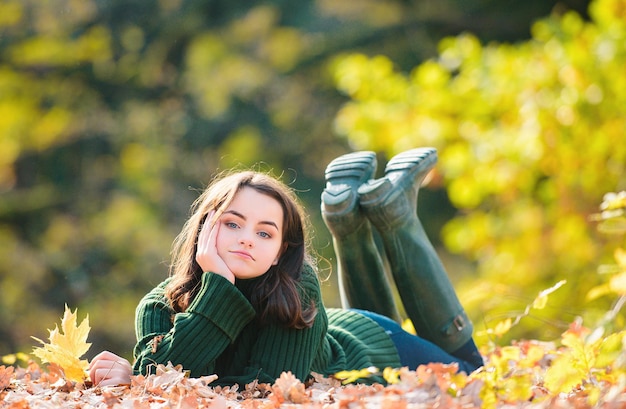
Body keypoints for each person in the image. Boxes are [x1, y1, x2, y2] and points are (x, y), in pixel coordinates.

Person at [88, 148, 483, 387]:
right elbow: (163, 385)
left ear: (280, 251)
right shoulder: (159, 305)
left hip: (373, 349)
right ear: (205, 227)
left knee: (474, 375)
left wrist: (142, 374)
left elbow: (268, 390)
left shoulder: (297, 285)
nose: (246, 238)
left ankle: (395, 216)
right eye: (233, 223)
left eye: (265, 233)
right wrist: (217, 286)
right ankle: (349, 223)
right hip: (330, 330)